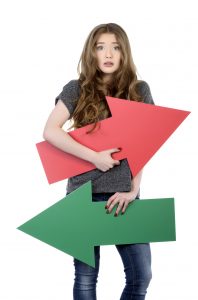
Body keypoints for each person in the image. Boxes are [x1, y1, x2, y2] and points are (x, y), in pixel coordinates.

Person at [43, 23, 155, 300]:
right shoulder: (76, 88)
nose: (108, 54)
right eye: (100, 47)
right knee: (85, 278)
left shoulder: (139, 90)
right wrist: (94, 158)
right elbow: (50, 131)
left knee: (141, 275)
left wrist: (133, 190)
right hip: (82, 195)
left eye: (115, 47)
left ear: (124, 53)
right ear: (91, 53)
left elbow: (148, 144)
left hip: (123, 196)